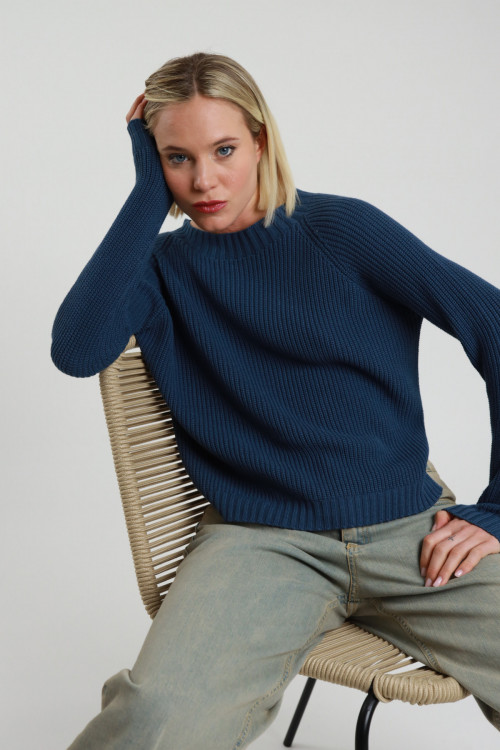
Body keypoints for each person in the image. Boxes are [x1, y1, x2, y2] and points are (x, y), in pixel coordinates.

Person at [51, 52, 500, 748]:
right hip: (259, 547)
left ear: (261, 141)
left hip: (414, 537)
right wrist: (145, 197)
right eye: (176, 158)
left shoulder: (345, 232)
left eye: (224, 150)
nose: (204, 181)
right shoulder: (161, 271)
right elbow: (76, 350)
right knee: (154, 723)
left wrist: (498, 509)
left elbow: (493, 324)